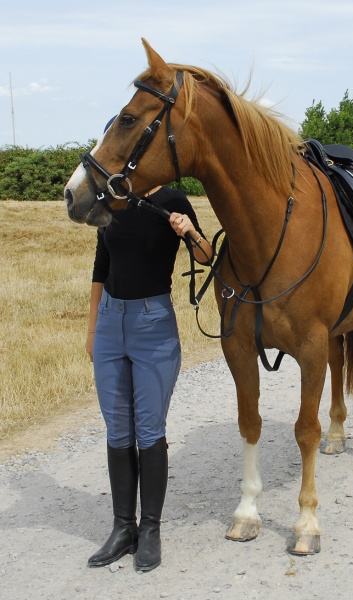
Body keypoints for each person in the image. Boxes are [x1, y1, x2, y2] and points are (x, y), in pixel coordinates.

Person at [85, 183, 213, 572]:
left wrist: (188, 230)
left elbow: (207, 256)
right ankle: (123, 527)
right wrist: (92, 329)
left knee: (149, 430)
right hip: (110, 322)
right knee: (117, 429)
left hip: (152, 325)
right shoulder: (110, 201)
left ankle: (151, 530)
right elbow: (100, 266)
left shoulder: (171, 200)